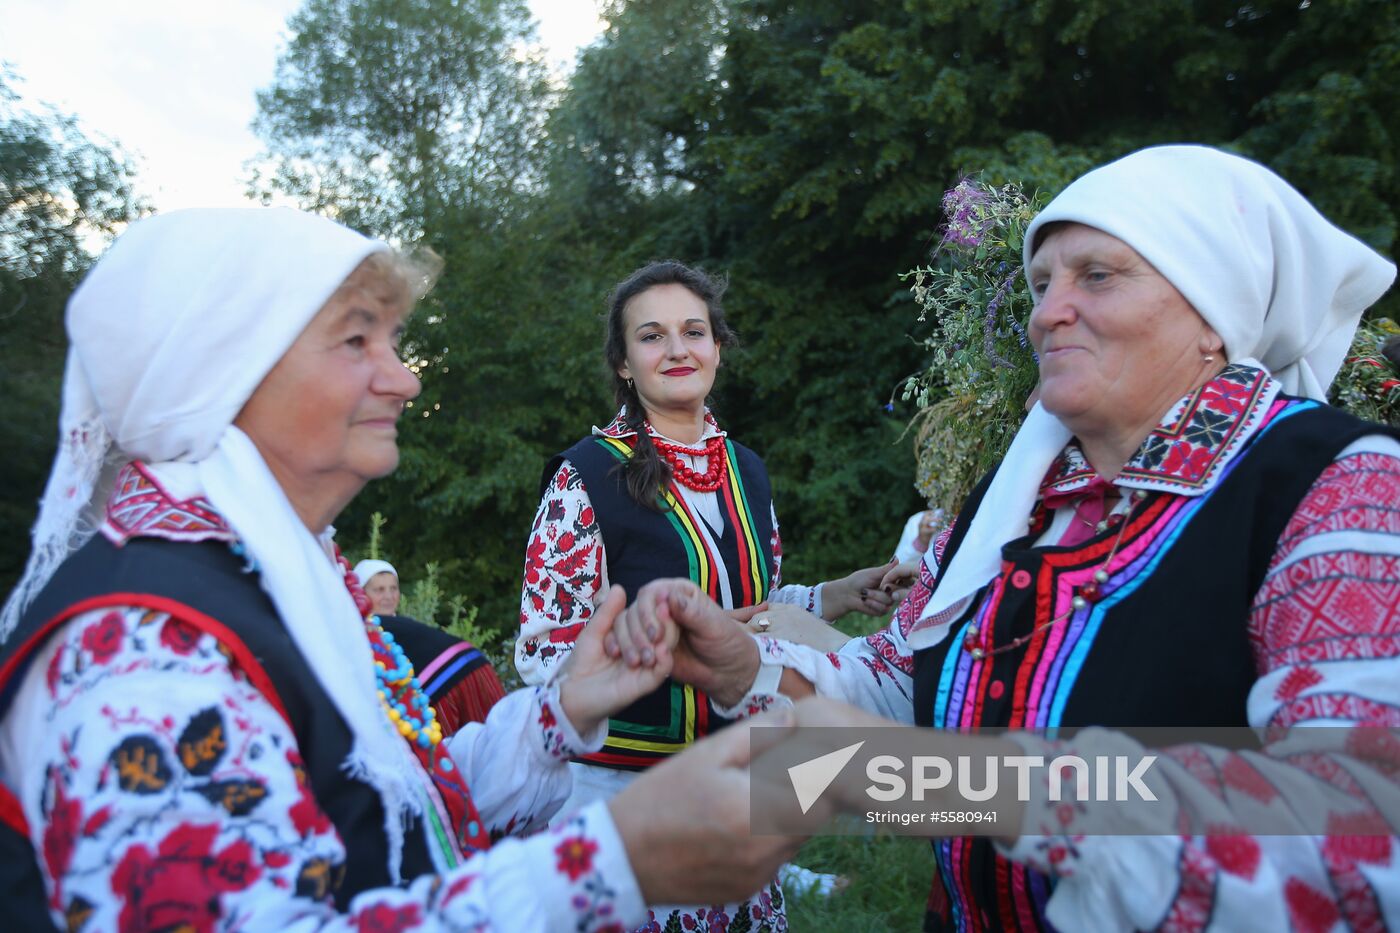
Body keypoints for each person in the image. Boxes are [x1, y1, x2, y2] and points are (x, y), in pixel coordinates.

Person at [611, 146, 1400, 931]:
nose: (1046, 312)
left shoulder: (1336, 487)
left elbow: (1358, 847)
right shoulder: (1014, 501)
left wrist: (957, 782)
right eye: (1042, 283)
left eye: (1097, 276)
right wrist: (744, 666)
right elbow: (902, 687)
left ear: (1214, 310)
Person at [0, 208, 808, 931]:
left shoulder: (287, 576)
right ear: (222, 374)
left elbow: (404, 808)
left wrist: (563, 708)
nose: (406, 377)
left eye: (392, 341)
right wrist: (616, 863)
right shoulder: (143, 651)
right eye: (358, 341)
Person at [517, 259, 892, 930]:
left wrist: (838, 593)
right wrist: (661, 641)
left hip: (737, 777)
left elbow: (756, 610)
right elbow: (542, 650)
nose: (677, 349)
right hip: (627, 790)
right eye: (651, 336)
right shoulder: (586, 477)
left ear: (718, 346)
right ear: (624, 363)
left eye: (693, 331)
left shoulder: (746, 469)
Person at [353, 558, 506, 733]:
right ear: (361, 594)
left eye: (393, 588)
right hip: (464, 673)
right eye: (379, 590)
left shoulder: (382, 627)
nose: (388, 596)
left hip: (453, 682)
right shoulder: (368, 629)